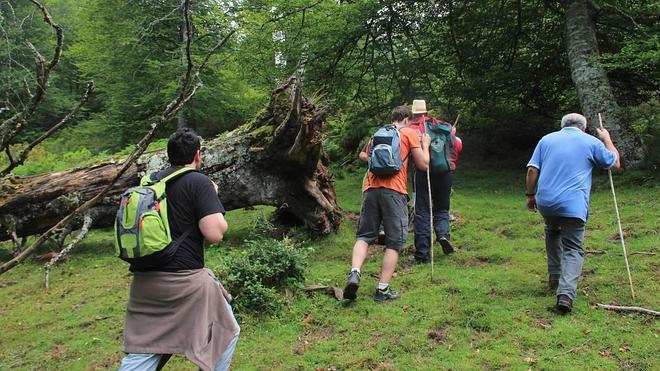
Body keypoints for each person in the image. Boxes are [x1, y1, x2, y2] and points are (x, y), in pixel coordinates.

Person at [119, 128, 240, 371]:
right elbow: (215, 234)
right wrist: (213, 197)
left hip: (144, 284)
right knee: (226, 329)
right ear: (197, 155)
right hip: (186, 284)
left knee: (145, 348)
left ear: (169, 154)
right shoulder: (199, 181)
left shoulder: (148, 182)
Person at [526, 113, 620, 314]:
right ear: (583, 128)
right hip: (573, 204)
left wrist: (530, 195)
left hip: (547, 202)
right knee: (573, 248)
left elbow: (532, 170)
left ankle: (554, 277)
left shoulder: (546, 140)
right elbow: (614, 163)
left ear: (562, 126)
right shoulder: (590, 141)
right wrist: (607, 139)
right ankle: (566, 294)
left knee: (552, 232)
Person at [344, 106, 431, 302]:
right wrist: (425, 144)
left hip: (370, 189)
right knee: (395, 242)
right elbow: (423, 164)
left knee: (364, 235)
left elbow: (363, 155)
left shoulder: (378, 133)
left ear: (393, 118)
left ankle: (355, 272)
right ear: (407, 119)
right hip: (395, 191)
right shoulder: (409, 133)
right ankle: (382, 290)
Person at [410, 100, 462, 263]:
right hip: (444, 173)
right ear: (426, 112)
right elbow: (458, 146)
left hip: (422, 172)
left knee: (423, 211)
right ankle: (443, 234)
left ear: (413, 113)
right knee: (442, 207)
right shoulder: (442, 126)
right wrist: (452, 134)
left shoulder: (411, 128)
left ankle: (423, 254)